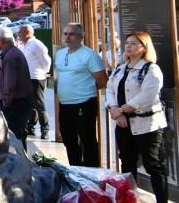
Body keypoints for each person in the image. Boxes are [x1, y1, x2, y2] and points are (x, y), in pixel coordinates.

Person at [105, 32, 168, 203]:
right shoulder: (120, 68)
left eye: (133, 43)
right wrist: (115, 110)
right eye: (127, 43)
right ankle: (129, 198)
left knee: (152, 164)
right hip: (123, 123)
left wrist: (122, 110)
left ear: (144, 47)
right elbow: (110, 89)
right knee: (127, 162)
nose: (128, 46)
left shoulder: (151, 69)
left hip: (147, 124)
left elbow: (148, 95)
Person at [54, 23, 107, 167]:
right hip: (65, 104)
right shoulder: (60, 54)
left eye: (72, 34)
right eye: (65, 34)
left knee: (87, 141)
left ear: (81, 37)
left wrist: (84, 88)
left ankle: (92, 173)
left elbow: (102, 81)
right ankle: (75, 171)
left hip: (84, 103)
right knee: (68, 140)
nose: (67, 37)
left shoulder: (90, 55)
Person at [0, 26, 32, 150]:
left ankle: (21, 164)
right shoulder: (12, 52)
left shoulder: (10, 56)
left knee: (14, 137)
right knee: (18, 136)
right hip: (20, 101)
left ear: (1, 40)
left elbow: (9, 83)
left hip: (16, 103)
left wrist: (6, 102)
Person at [18, 25, 51, 139]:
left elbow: (46, 60)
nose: (18, 34)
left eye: (20, 32)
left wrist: (45, 72)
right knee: (30, 105)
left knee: (39, 105)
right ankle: (31, 128)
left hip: (36, 78)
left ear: (27, 33)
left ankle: (45, 129)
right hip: (27, 78)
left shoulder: (37, 44)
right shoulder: (24, 45)